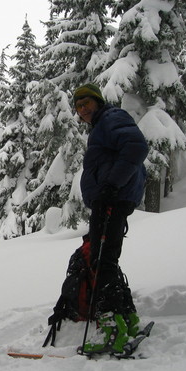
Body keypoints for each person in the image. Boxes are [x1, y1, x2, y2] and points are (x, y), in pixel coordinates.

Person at [74, 83, 148, 354]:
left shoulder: (110, 118)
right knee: (105, 260)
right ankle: (126, 318)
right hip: (111, 200)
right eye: (79, 107)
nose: (83, 110)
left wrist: (111, 186)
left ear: (97, 101)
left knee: (101, 261)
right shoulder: (102, 125)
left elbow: (137, 147)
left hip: (111, 200)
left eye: (86, 103)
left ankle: (111, 329)